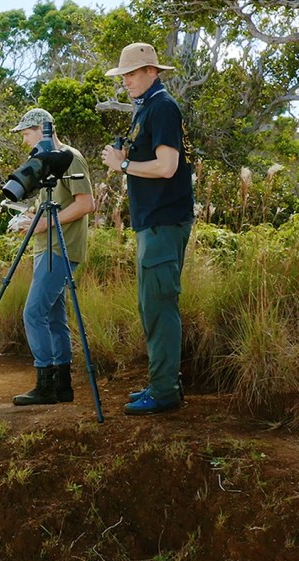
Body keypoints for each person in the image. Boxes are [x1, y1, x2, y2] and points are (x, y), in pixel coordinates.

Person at [101, 42, 194, 416]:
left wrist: (122, 166)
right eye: (123, 74)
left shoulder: (163, 107)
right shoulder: (146, 108)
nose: (126, 80)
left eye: (133, 73)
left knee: (159, 307)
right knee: (151, 306)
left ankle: (164, 391)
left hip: (162, 223)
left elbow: (167, 166)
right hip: (152, 223)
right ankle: (163, 382)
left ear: (152, 72)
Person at [8, 108, 95, 406]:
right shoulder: (44, 163)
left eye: (26, 134)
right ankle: (62, 386)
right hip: (45, 248)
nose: (25, 142)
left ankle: (45, 382)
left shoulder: (70, 157)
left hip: (62, 248)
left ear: (43, 130)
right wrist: (29, 219)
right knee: (55, 316)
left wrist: (46, 223)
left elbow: (86, 204)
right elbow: (53, 204)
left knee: (32, 313)